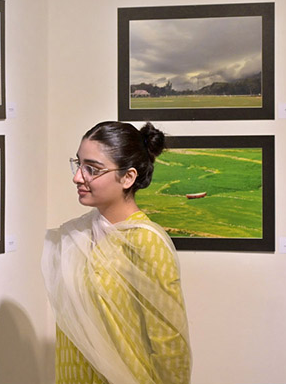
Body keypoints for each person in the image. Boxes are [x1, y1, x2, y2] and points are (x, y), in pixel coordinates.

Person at [43, 121, 191, 384]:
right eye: (78, 165)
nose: (78, 177)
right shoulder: (78, 234)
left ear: (128, 177)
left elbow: (169, 342)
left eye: (92, 169)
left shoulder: (146, 241)